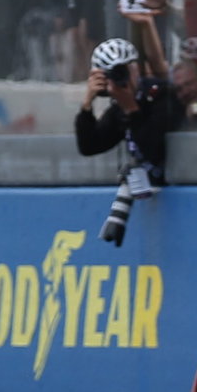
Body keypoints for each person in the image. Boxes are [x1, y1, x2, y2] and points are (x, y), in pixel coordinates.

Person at [77, 37, 182, 245]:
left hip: (179, 189)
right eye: (111, 74)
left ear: (137, 68)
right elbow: (90, 145)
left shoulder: (161, 96)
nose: (122, 78)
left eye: (125, 70)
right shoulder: (119, 108)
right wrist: (87, 104)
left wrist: (132, 109)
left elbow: (155, 148)